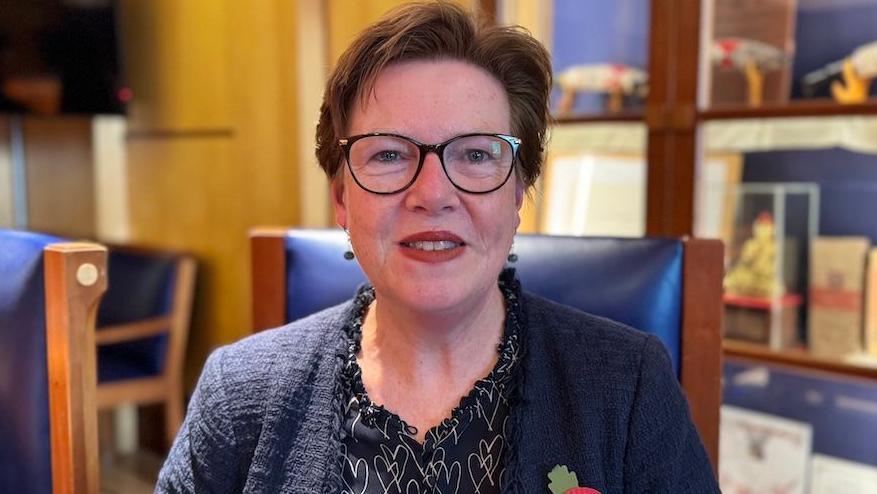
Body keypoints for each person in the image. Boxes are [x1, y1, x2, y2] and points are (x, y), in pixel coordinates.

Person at [156, 2, 719, 493]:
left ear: (518, 194)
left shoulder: (629, 386)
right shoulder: (238, 395)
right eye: (389, 154)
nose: (433, 194)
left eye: (475, 155)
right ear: (342, 200)